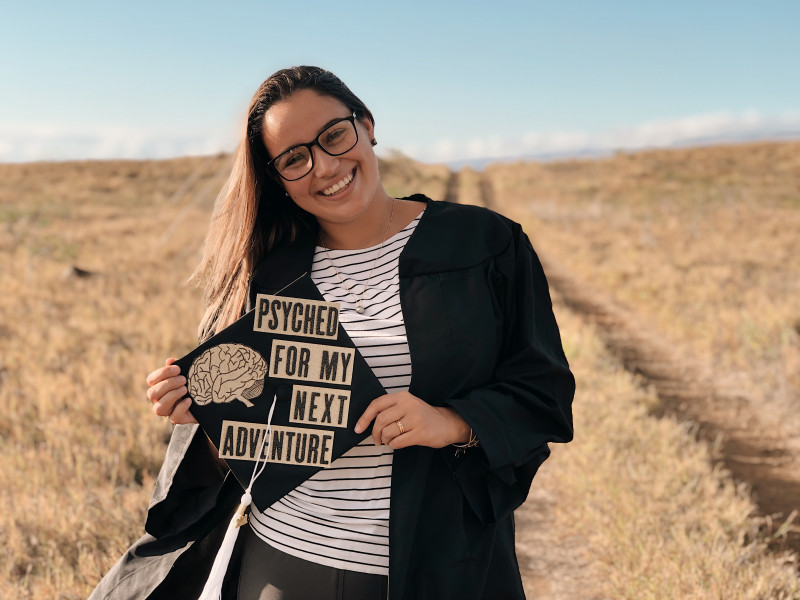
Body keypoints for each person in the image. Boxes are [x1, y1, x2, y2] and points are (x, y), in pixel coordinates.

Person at [90, 65, 575, 600]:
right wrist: (204, 410)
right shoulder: (270, 274)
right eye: (294, 159)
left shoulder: (484, 245)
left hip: (438, 563)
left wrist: (452, 421)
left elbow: (544, 393)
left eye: (334, 136)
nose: (324, 166)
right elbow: (254, 451)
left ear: (367, 125)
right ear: (278, 180)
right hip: (285, 565)